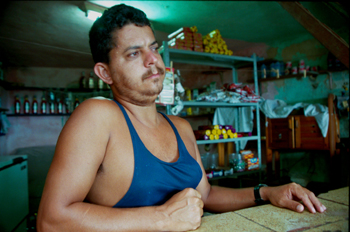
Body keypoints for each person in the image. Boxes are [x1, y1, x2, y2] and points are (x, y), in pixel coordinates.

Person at [37, 4, 326, 232]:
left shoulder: (180, 127)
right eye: (134, 53)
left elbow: (207, 195)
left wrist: (266, 193)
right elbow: (52, 221)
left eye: (154, 48)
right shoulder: (98, 116)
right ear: (105, 73)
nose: (153, 61)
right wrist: (162, 218)